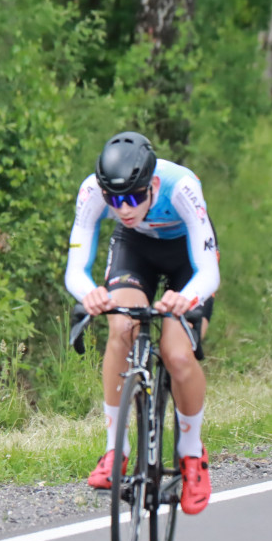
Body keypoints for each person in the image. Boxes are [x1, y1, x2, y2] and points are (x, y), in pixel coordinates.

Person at [64, 131, 220, 515]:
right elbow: (75, 270)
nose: (125, 209)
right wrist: (90, 294)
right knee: (121, 328)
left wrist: (187, 297)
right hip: (134, 252)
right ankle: (115, 451)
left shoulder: (181, 187)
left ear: (152, 184)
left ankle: (191, 455)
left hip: (186, 260)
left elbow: (209, 271)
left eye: (134, 198)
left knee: (178, 355)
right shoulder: (93, 192)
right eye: (116, 201)